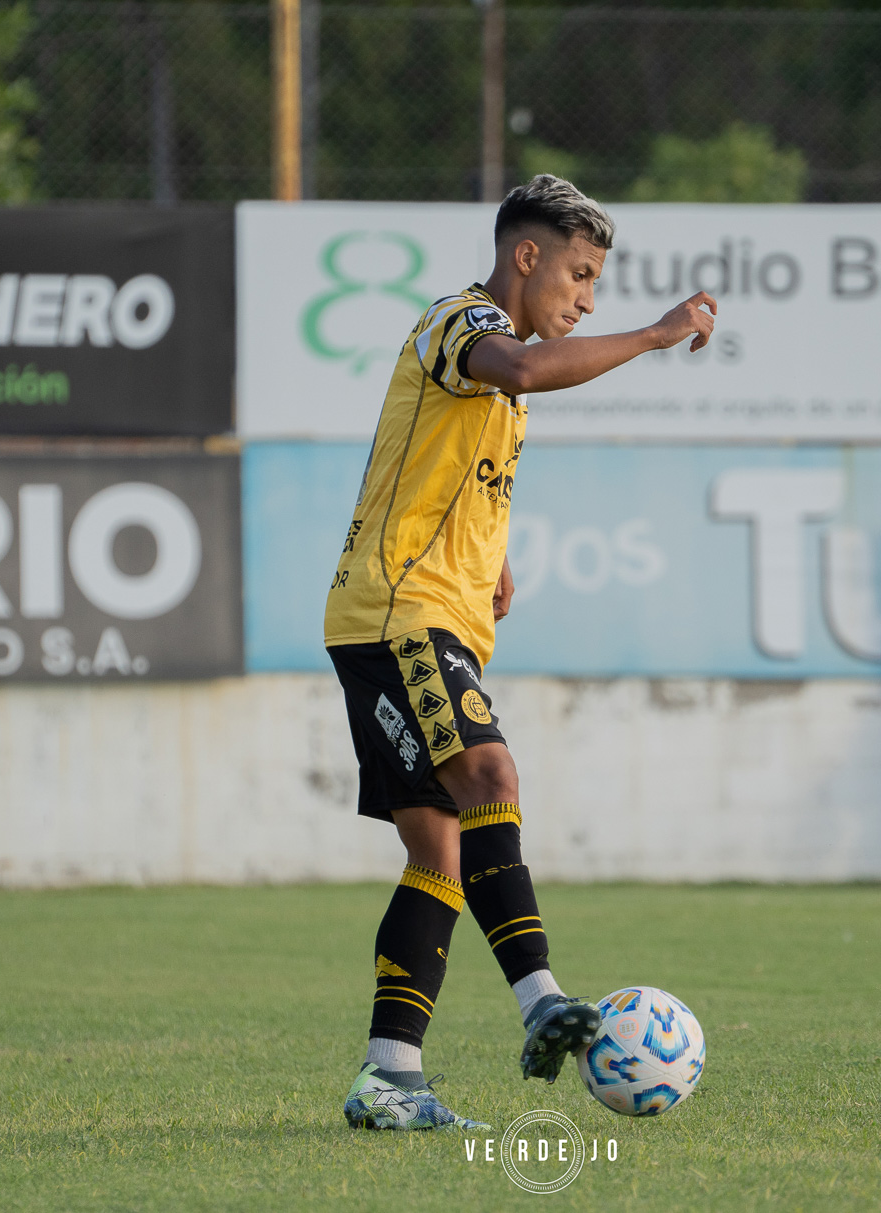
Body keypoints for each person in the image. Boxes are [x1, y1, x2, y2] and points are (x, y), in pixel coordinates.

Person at [323, 175, 717, 1130]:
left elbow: (459, 470)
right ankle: (543, 1000)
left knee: (439, 853)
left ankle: (390, 1078)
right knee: (489, 768)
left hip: (425, 614)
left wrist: (495, 560)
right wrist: (658, 336)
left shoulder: (492, 373)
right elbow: (524, 369)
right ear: (526, 255)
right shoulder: (460, 323)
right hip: (399, 615)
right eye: (580, 274)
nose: (587, 298)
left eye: (598, 283)